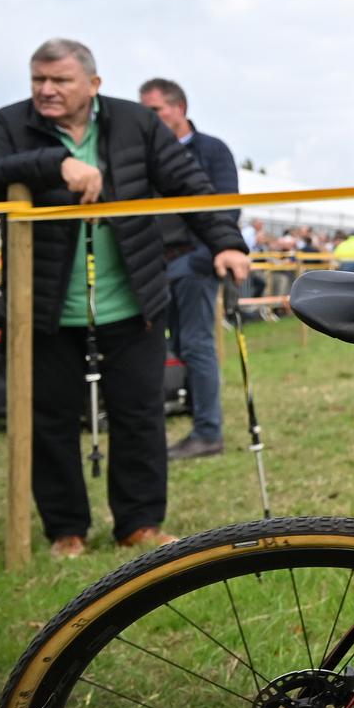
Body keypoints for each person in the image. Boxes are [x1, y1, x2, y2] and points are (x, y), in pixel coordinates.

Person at [0, 38, 251, 559]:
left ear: (93, 84)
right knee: (50, 419)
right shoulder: (9, 123)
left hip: (134, 298)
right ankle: (65, 529)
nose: (46, 91)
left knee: (140, 412)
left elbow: (189, 184)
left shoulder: (135, 123)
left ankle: (138, 523)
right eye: (38, 80)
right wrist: (56, 164)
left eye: (60, 81)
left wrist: (226, 242)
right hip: (46, 306)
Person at [138, 77, 239, 461]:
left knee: (197, 344)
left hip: (194, 261)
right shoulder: (147, 154)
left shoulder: (211, 150)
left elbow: (226, 206)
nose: (148, 118)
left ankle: (208, 432)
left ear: (178, 108)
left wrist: (205, 255)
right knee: (178, 345)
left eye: (154, 110)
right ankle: (197, 418)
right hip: (159, 264)